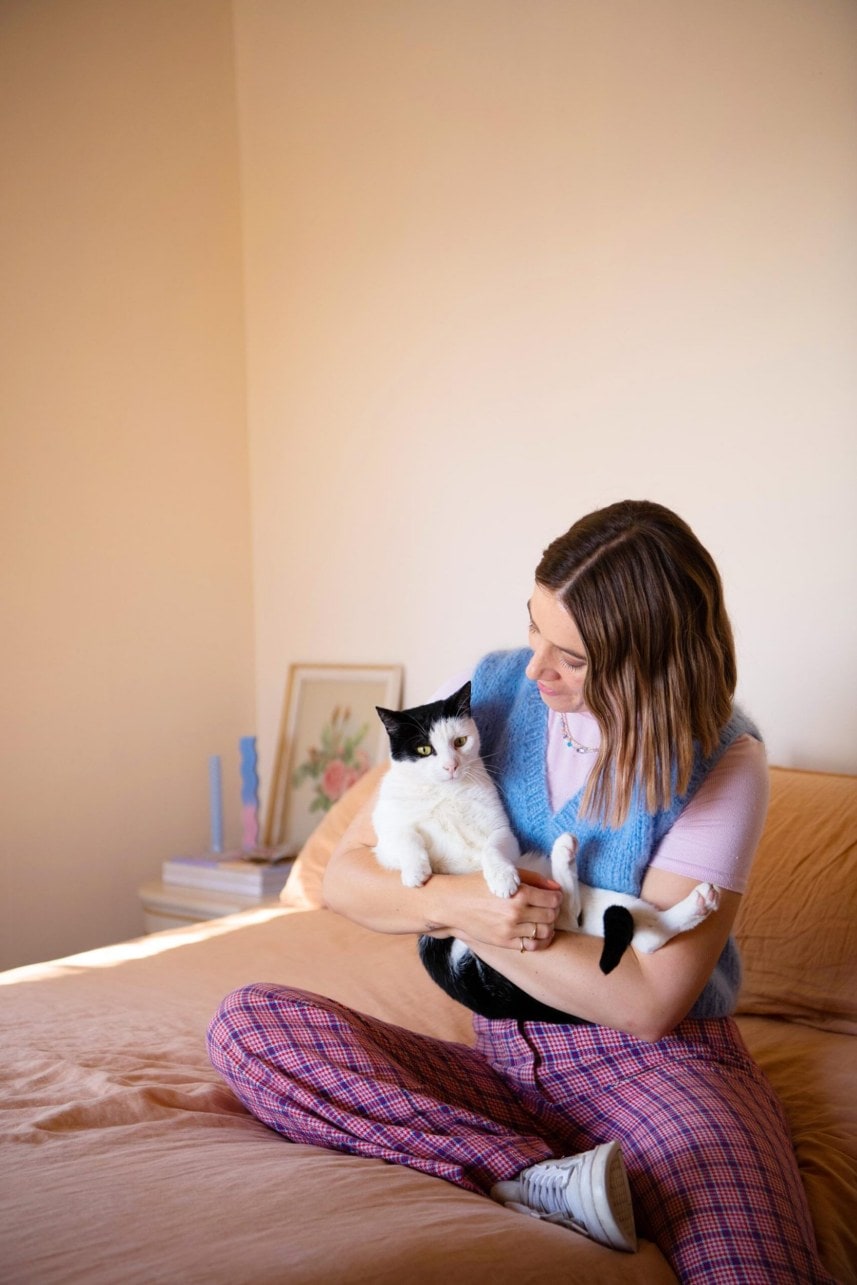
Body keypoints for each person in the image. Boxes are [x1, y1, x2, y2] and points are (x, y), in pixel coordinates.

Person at [208, 500, 832, 1281]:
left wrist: (481, 925)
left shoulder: (723, 762)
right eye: (534, 627)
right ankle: (536, 1176)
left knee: (753, 1269)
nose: (534, 666)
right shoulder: (484, 698)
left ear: (647, 663)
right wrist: (455, 903)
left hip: (657, 1071)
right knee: (250, 1027)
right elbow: (346, 874)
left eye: (569, 655)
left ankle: (536, 1172)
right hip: (499, 1062)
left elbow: (645, 1001)